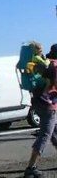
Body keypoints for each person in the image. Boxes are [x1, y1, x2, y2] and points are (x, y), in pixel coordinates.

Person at [23, 43, 57, 178]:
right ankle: (31, 167)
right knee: (45, 135)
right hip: (49, 104)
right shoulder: (55, 66)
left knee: (54, 132)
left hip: (38, 102)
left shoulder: (46, 64)